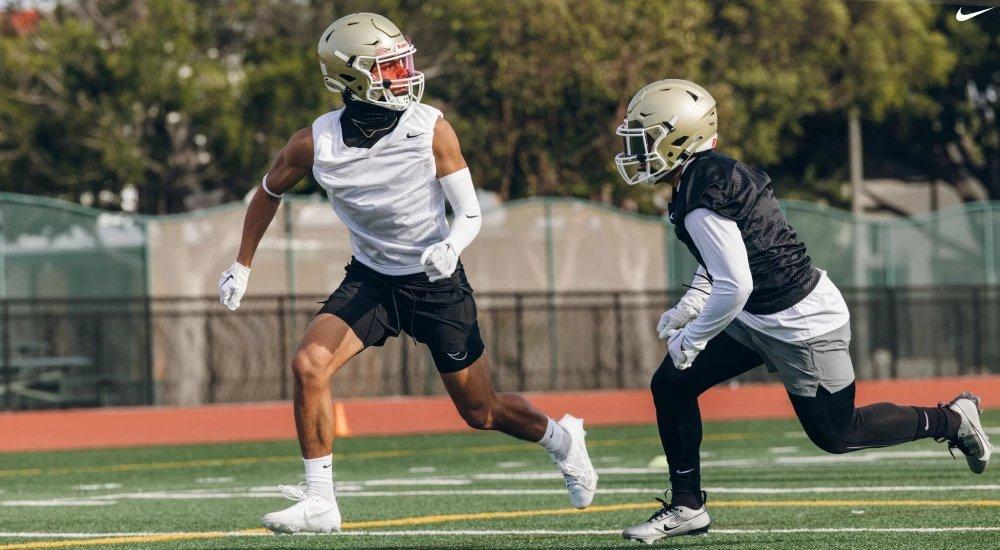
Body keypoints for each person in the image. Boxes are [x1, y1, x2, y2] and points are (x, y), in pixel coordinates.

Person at [217, 12, 597, 535]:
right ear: (351, 77)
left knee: (481, 412)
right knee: (309, 364)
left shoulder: (430, 127)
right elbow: (268, 191)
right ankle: (320, 501)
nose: (404, 75)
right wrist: (242, 263)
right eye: (389, 67)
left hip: (435, 284)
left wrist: (450, 246)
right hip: (372, 280)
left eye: (403, 63)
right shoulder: (314, 142)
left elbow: (469, 213)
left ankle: (562, 440)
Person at [613, 79, 992, 543]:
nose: (637, 152)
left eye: (645, 139)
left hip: (800, 323)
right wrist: (690, 305)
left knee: (839, 433)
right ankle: (688, 506)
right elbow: (727, 261)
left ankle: (953, 420)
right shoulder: (705, 176)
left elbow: (735, 283)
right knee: (672, 384)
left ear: (679, 137)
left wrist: (692, 338)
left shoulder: (701, 192)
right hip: (756, 314)